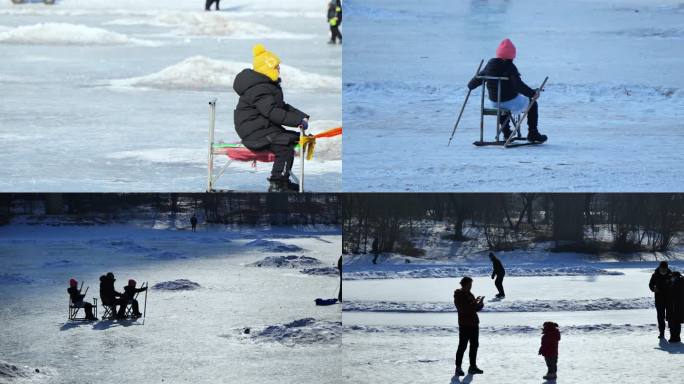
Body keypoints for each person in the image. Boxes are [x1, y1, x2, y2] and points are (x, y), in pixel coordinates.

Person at [233, 44, 310, 192]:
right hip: (254, 133)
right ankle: (277, 183)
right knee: (285, 148)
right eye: (276, 67)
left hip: (263, 128)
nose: (279, 69)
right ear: (267, 69)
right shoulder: (259, 89)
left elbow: (282, 106)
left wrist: (302, 117)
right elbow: (273, 112)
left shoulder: (267, 85)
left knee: (294, 138)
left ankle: (283, 179)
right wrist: (297, 122)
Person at [467, 38, 547, 143]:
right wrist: (533, 93)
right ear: (511, 56)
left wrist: (472, 83)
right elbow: (518, 86)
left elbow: (471, 85)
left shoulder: (489, 65)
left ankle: (506, 133)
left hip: (494, 103)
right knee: (533, 104)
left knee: (503, 104)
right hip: (509, 102)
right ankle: (533, 133)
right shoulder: (510, 67)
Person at [453, 276, 484, 376]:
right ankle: (458, 367)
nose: (471, 286)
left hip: (474, 324)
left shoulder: (470, 294)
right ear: (464, 284)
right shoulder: (458, 295)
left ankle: (472, 367)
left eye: (471, 285)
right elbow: (464, 309)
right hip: (465, 325)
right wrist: (474, 303)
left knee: (474, 345)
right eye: (469, 284)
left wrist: (480, 304)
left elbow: (474, 308)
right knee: (462, 346)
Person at [649, 261, 672, 339]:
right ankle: (661, 333)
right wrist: (653, 288)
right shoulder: (655, 275)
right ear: (659, 268)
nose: (663, 271)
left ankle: (672, 333)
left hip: (669, 299)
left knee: (670, 316)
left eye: (665, 269)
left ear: (667, 268)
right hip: (659, 300)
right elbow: (650, 284)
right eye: (662, 269)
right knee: (660, 317)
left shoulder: (671, 275)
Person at [667, 271, 684, 343]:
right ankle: (675, 337)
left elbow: (672, 293)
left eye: (672, 276)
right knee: (675, 322)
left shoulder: (678, 283)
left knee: (674, 322)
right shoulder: (679, 282)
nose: (671, 278)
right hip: (676, 306)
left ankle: (674, 337)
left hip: (675, 305)